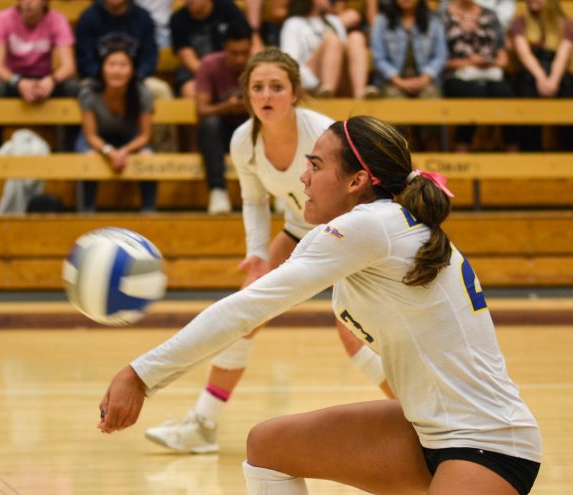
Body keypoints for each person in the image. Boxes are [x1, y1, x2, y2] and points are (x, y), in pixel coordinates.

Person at [98, 114, 542, 495]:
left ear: (357, 181)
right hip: (430, 430)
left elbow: (246, 309)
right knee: (270, 447)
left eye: (315, 164)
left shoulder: (369, 226)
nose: (303, 177)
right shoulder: (378, 228)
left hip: (485, 441)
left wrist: (142, 374)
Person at [143, 49, 391, 453]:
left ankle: (420, 418)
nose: (267, 95)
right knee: (244, 313)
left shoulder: (322, 133)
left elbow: (360, 191)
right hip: (300, 228)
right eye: (257, 87)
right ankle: (203, 424)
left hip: (351, 230)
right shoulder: (244, 140)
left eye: (277, 86)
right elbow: (254, 200)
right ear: (246, 95)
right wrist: (257, 253)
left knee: (352, 332)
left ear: (294, 92)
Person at [76, 0, 177, 152]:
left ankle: (163, 151)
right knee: (83, 90)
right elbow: (84, 60)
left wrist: (131, 77)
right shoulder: (89, 17)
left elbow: (150, 58)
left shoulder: (143, 17)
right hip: (97, 77)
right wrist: (107, 75)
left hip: (136, 76)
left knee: (161, 90)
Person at [0, 0, 80, 152]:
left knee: (73, 87)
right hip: (13, 80)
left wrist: (52, 80)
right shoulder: (3, 18)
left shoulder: (57, 19)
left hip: (44, 80)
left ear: (44, 2)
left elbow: (69, 67)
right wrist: (18, 82)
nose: (28, 2)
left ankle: (68, 152)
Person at [75, 46, 157, 213]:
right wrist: (110, 152)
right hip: (96, 139)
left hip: (130, 139)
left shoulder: (142, 92)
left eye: (123, 65)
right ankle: (87, 211)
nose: (117, 71)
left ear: (132, 70)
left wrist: (124, 151)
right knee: (89, 157)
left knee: (148, 155)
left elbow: (145, 135)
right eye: (111, 64)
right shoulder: (89, 91)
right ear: (102, 68)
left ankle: (149, 211)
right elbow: (90, 135)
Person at [441, 0, 519, 151]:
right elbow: (440, 60)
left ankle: (512, 150)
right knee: (474, 93)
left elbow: (504, 59)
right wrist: (469, 62)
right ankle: (462, 147)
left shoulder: (490, 15)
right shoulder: (443, 16)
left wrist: (488, 62)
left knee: (505, 93)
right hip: (455, 74)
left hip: (489, 72)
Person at [370, 0, 447, 148]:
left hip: (426, 81)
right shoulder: (381, 20)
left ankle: (432, 153)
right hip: (392, 82)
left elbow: (440, 56)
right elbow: (378, 58)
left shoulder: (433, 20)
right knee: (395, 105)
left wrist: (425, 78)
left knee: (431, 101)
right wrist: (397, 80)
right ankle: (401, 154)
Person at [195, 21, 252, 214]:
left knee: (267, 123)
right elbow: (202, 110)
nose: (240, 59)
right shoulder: (209, 64)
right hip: (219, 134)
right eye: (234, 53)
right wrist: (226, 107)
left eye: (244, 53)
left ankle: (276, 192)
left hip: (249, 129)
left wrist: (249, 106)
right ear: (224, 48)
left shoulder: (259, 65)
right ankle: (217, 190)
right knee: (209, 124)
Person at [510, 0, 573, 151]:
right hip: (530, 71)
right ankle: (530, 151)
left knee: (571, 94)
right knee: (525, 95)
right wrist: (541, 78)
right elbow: (524, 55)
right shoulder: (520, 22)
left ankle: (571, 150)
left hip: (557, 70)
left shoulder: (567, 24)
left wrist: (553, 80)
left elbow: (562, 57)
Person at [280, 0, 370, 98]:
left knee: (356, 37)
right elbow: (290, 61)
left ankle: (360, 93)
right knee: (332, 40)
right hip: (310, 81)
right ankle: (327, 91)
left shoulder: (334, 21)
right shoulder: (293, 23)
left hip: (340, 78)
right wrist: (312, 83)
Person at [169, 0, 250, 99]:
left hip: (231, 68)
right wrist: (212, 80)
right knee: (190, 90)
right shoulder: (178, 19)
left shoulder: (227, 8)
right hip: (195, 73)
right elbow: (188, 59)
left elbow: (246, 39)